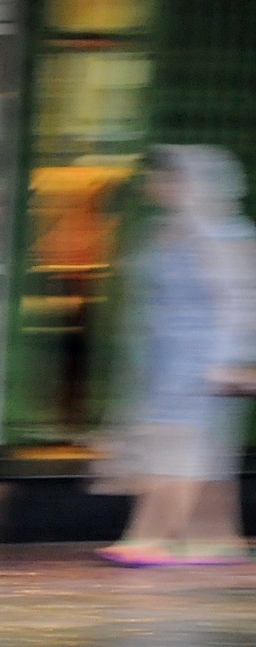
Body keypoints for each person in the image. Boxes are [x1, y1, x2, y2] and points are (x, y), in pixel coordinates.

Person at [98, 145, 256, 566]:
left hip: (201, 358)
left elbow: (237, 300)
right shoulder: (168, 231)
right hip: (167, 355)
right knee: (201, 450)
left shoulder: (222, 234)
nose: (158, 186)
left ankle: (150, 534)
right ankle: (215, 536)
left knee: (180, 444)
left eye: (168, 179)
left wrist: (228, 359)